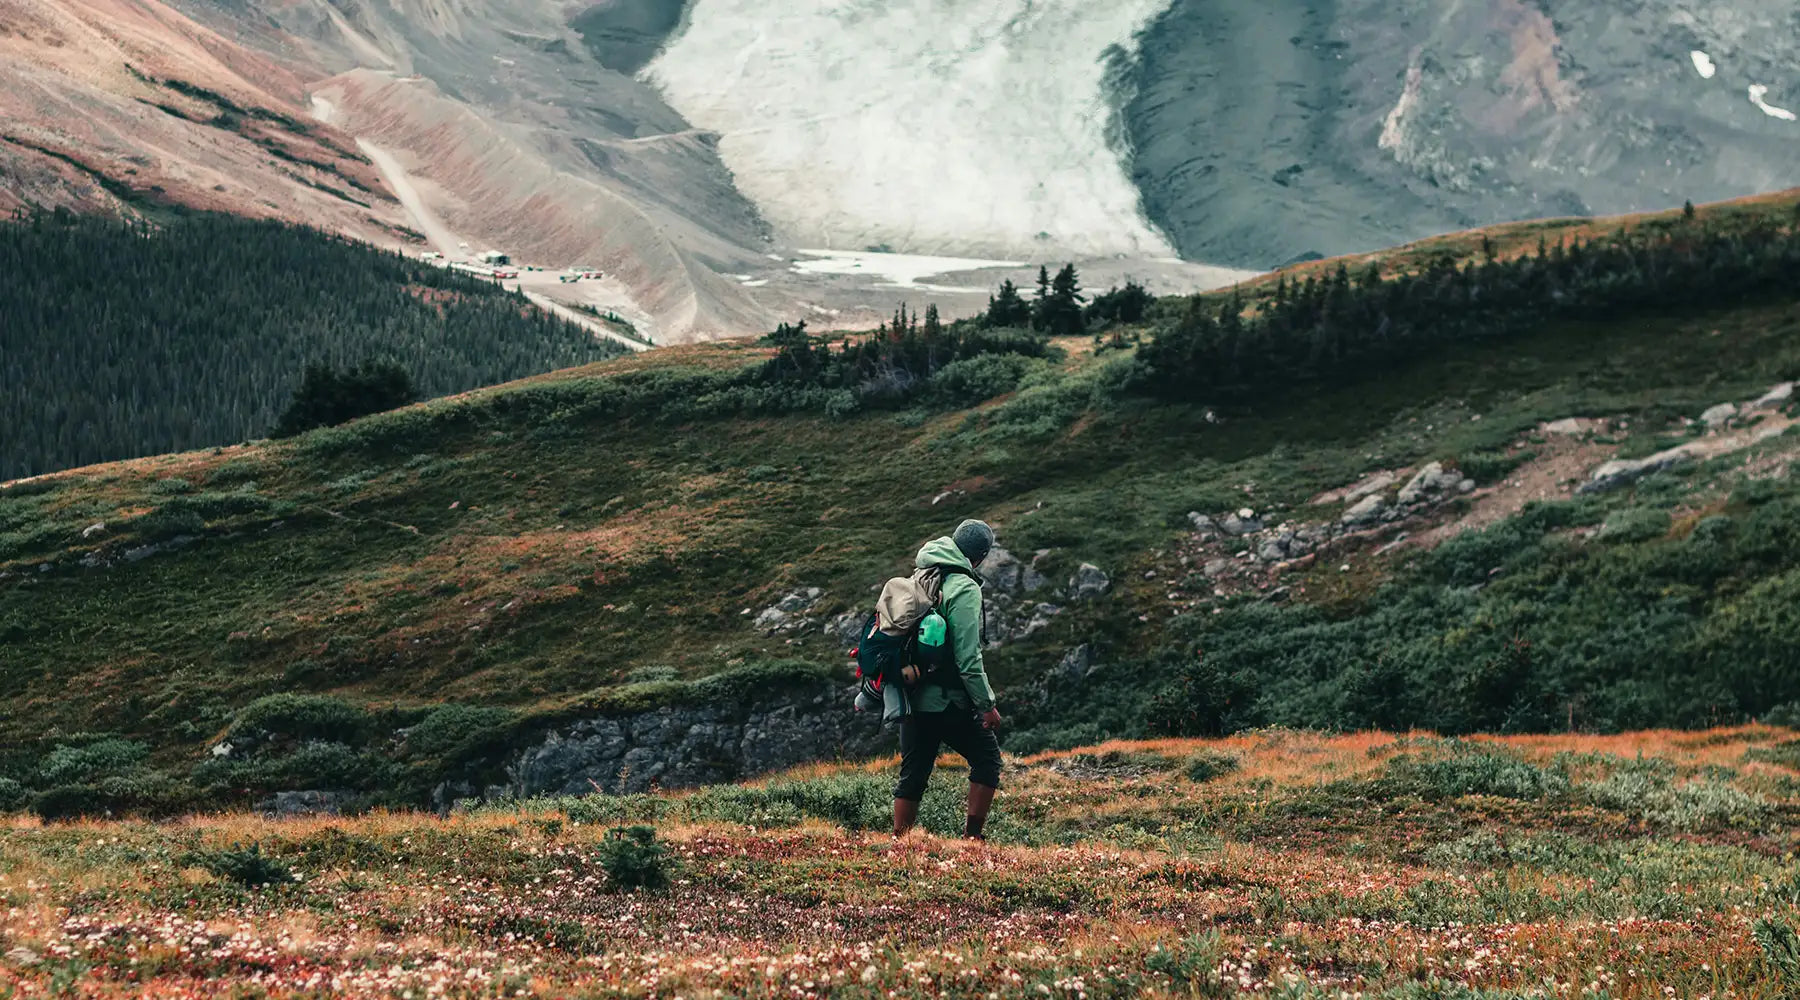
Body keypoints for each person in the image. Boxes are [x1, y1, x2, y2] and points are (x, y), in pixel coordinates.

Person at [893, 518, 1003, 840]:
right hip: (947, 700)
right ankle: (972, 838)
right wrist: (987, 706)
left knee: (913, 772)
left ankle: (901, 844)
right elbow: (968, 658)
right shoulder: (965, 587)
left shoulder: (923, 574)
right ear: (980, 556)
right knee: (987, 759)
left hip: (912, 693)